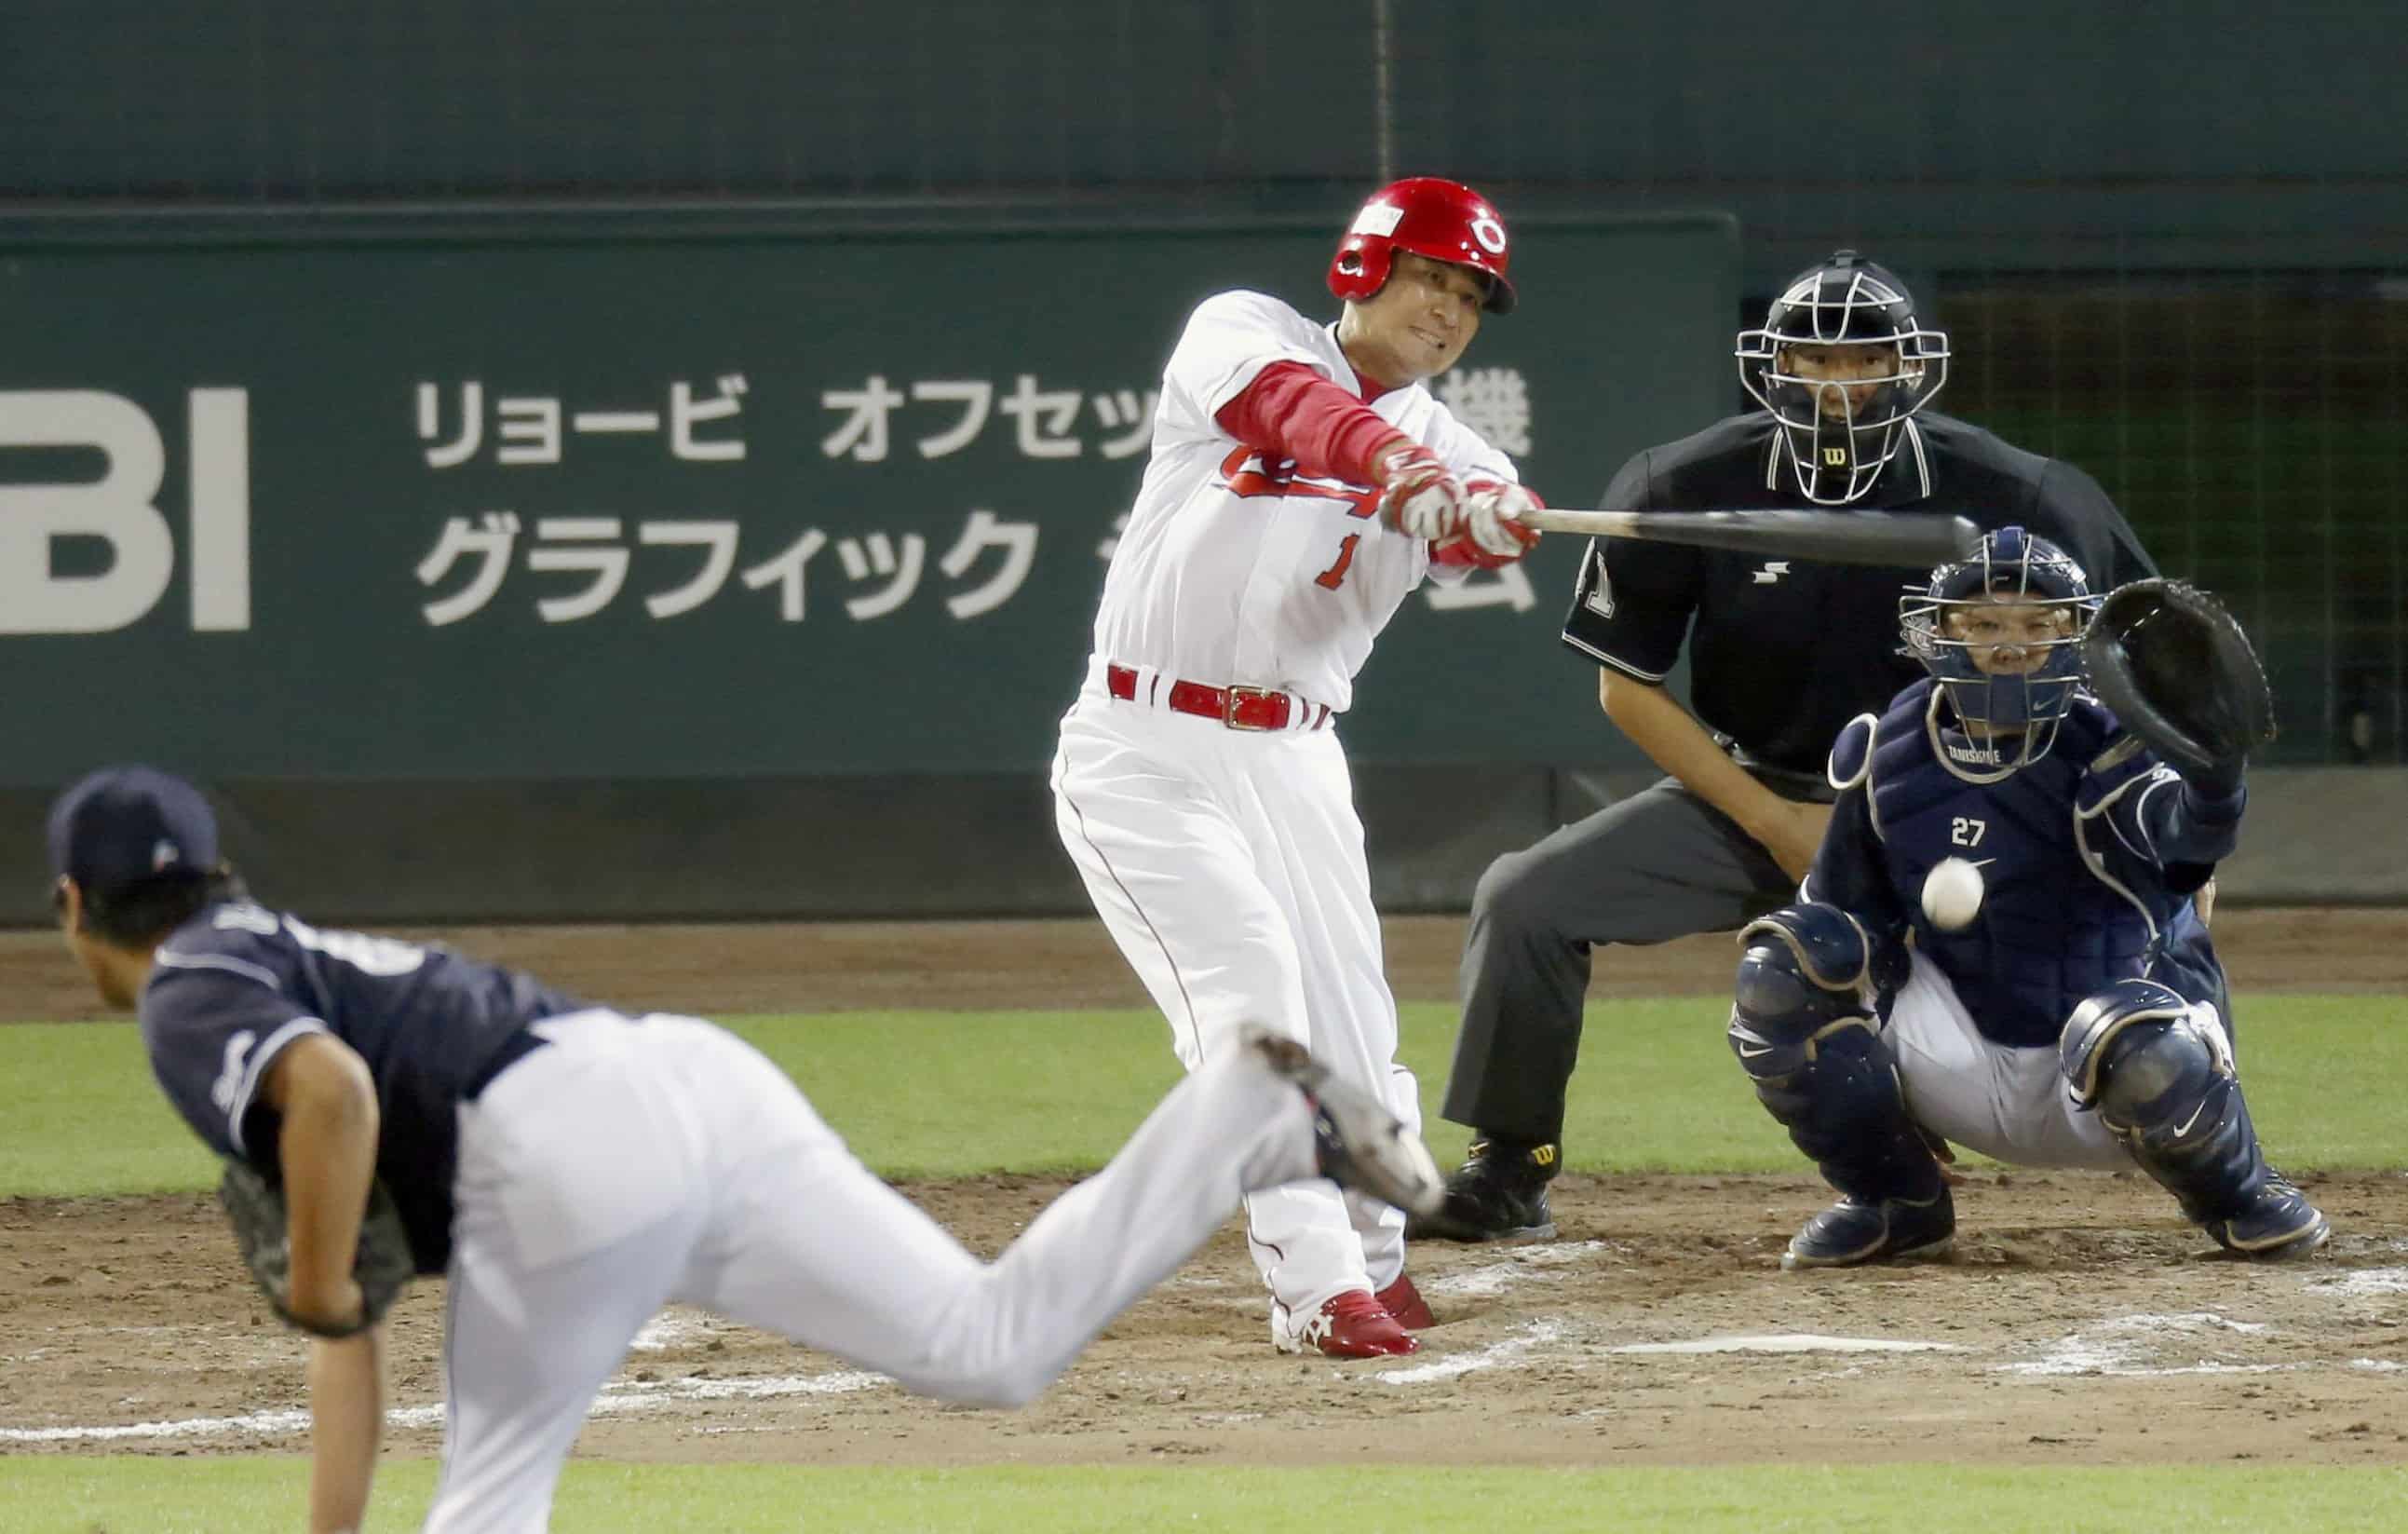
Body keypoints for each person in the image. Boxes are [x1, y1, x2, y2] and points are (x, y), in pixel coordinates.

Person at [46, 766, 1443, 1533]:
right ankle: (1250, 1111)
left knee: (488, 1497)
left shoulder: (185, 990)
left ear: (71, 904)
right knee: (989, 1342)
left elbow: (337, 1102)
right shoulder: (272, 946)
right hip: (684, 1081)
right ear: (213, 868)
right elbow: (342, 1316)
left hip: (555, 1147)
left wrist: (311, 1283)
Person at [1415, 250, 2158, 1242]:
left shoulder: (2016, 492)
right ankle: (1510, 1165)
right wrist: (1770, 821)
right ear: (1772, 368)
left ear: (1912, 364)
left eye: (1865, 360)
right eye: (1813, 361)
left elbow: (2133, 657)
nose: (1839, 384)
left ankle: (2178, 1143)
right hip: (1748, 789)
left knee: (2107, 956)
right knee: (1525, 899)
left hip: (1955, 802)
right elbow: (1624, 687)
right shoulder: (1681, 483)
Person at [1049, 177, 1543, 1356]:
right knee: (1253, 1001)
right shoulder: (1242, 331)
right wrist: (1396, 471)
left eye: (1472, 296)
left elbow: (1474, 518)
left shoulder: (1454, 445)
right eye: (1431, 277)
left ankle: (1377, 1261)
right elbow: (1299, 412)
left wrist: (1479, 518)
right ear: (1364, 270)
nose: (1449, 310)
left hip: (1294, 757)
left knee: (1354, 1034)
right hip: (1141, 744)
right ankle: (1319, 1290)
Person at [1724, 526, 2329, 1265]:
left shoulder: (2114, 741)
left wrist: (2215, 784)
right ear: (1940, 632)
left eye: (2038, 625)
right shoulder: (1892, 745)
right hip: (1963, 1059)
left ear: (2076, 634)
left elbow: (2184, 850)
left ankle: (2241, 1195)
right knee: (1783, 968)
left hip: (2114, 1077)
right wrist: (1866, 1084)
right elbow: (1846, 918)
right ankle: (1893, 1200)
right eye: (1984, 623)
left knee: (2135, 1039)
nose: (2011, 644)